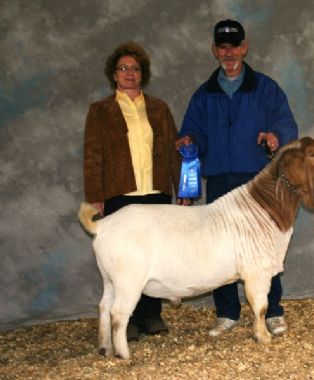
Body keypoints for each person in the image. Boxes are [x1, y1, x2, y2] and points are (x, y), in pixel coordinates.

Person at [176, 20, 298, 337]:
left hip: (257, 182)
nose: (228, 52)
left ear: (244, 47)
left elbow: (287, 125)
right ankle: (227, 313)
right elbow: (194, 133)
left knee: (264, 247)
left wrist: (276, 136)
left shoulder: (267, 89)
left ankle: (272, 311)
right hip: (219, 180)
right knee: (219, 248)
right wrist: (188, 141)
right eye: (222, 46)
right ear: (215, 51)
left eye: (234, 45)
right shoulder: (204, 95)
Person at [83, 41, 183, 341]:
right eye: (123, 68)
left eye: (135, 68)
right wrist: (95, 195)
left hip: (156, 192)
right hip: (119, 193)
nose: (129, 73)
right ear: (114, 75)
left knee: (156, 256)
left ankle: (151, 317)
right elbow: (92, 156)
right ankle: (128, 320)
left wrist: (182, 188)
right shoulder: (100, 111)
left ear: (143, 74)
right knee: (128, 258)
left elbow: (173, 151)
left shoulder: (159, 108)